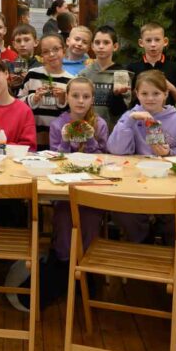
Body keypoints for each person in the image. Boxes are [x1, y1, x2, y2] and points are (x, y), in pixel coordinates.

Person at [107, 70, 176, 244]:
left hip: (168, 182)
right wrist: (130, 120)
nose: (150, 98)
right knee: (125, 213)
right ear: (137, 94)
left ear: (166, 94)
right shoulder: (129, 116)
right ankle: (142, 244)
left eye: (156, 93)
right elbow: (116, 149)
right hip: (135, 180)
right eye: (144, 93)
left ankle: (168, 249)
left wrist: (168, 153)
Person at [48, 78, 109, 288]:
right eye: (75, 96)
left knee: (91, 218)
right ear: (67, 98)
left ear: (93, 99)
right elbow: (56, 159)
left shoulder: (99, 124)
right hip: (65, 185)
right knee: (65, 217)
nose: (80, 101)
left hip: (91, 185)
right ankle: (64, 262)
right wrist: (65, 141)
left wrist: (91, 141)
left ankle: (85, 264)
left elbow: (103, 158)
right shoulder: (58, 124)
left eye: (86, 97)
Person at [18, 33, 73, 149]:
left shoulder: (71, 80)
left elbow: (72, 112)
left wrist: (63, 98)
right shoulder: (32, 74)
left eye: (56, 49)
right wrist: (34, 98)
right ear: (41, 55)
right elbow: (18, 103)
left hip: (59, 140)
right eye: (46, 51)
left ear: (64, 50)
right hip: (33, 136)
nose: (51, 54)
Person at [78, 25, 130, 128]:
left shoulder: (121, 74)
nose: (101, 46)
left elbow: (122, 111)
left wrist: (117, 95)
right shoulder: (84, 74)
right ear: (92, 46)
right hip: (88, 129)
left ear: (115, 47)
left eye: (106, 42)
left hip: (113, 130)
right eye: (97, 43)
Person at [127, 22, 176, 107]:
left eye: (157, 40)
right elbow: (128, 101)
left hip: (166, 117)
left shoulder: (175, 68)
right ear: (141, 43)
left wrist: (170, 87)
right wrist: (141, 88)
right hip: (140, 117)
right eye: (148, 40)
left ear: (165, 41)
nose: (153, 44)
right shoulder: (132, 68)